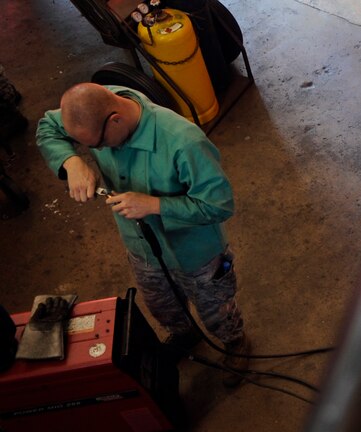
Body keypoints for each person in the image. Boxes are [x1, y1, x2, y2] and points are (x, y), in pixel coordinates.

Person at [35, 82, 250, 387]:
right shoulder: (94, 106)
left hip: (195, 254)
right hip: (143, 249)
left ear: (115, 120)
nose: (95, 151)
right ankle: (185, 333)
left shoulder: (182, 141)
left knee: (216, 307)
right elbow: (48, 125)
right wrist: (71, 162)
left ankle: (235, 342)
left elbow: (218, 205)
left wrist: (154, 204)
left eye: (96, 145)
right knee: (163, 304)